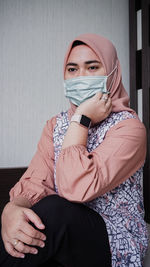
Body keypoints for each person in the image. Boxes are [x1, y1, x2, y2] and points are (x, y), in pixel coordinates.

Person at [0, 33, 148, 267]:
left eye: (92, 67)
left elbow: (76, 189)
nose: (80, 77)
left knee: (55, 210)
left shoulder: (129, 129)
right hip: (67, 235)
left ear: (112, 72)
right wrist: (12, 209)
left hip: (115, 238)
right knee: (25, 225)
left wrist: (81, 119)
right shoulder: (55, 125)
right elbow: (38, 180)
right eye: (72, 69)